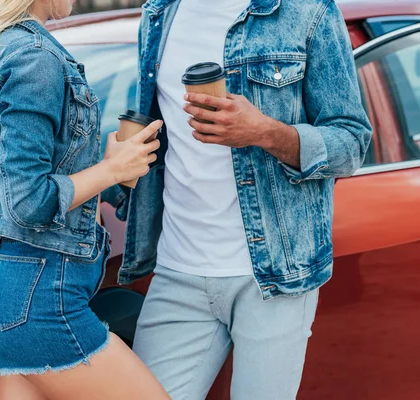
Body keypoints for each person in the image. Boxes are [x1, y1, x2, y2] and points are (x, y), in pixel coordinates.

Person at [113, 0, 372, 398]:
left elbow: (352, 141)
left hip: (275, 274)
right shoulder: (158, 14)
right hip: (177, 269)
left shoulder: (307, 11)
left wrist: (264, 132)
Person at [0, 0, 168, 398]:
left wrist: (113, 169)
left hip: (9, 294)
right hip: (41, 301)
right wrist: (111, 170)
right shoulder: (36, 58)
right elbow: (27, 203)